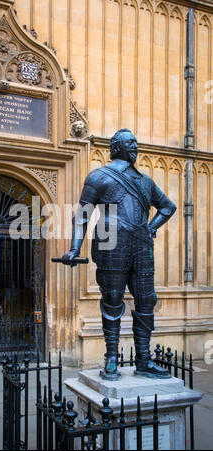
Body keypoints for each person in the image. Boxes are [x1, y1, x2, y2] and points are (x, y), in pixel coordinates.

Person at [62, 129, 177, 380]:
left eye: (136, 142)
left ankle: (144, 360)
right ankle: (111, 358)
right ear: (116, 148)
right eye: (130, 143)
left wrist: (151, 227)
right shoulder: (99, 177)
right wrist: (74, 248)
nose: (135, 146)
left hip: (141, 245)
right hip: (109, 242)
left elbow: (168, 207)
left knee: (147, 299)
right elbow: (82, 215)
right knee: (113, 299)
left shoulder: (145, 181)